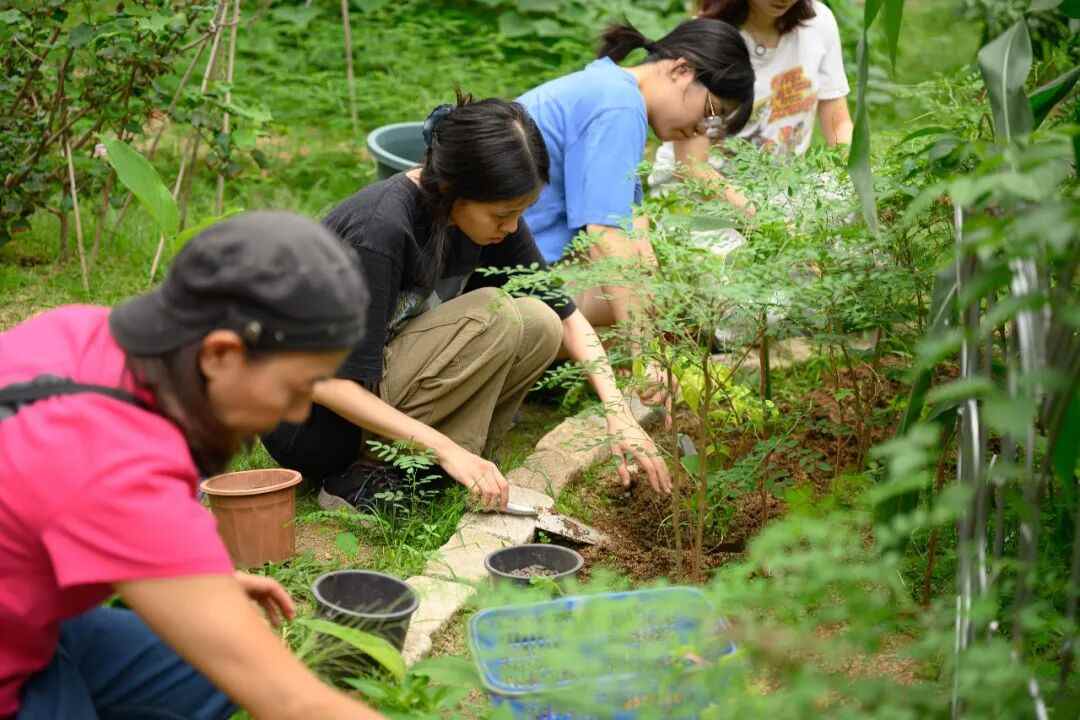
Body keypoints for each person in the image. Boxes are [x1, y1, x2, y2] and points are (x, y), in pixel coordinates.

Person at [0, 212, 385, 720]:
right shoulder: (114, 467)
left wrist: (178, 575)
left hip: (33, 608)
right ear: (220, 354)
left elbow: (42, 508)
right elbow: (292, 702)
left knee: (210, 680)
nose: (297, 413)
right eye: (295, 388)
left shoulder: (80, 330)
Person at [262, 95, 671, 514]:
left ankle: (436, 468)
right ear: (455, 190)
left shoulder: (485, 218)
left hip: (384, 381)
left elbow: (568, 318)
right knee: (492, 312)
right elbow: (324, 381)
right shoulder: (381, 231)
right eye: (502, 215)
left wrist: (618, 413)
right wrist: (443, 447)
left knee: (539, 322)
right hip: (316, 425)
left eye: (519, 213)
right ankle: (363, 475)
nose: (511, 227)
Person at [515, 18, 754, 380]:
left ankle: (549, 372)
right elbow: (605, 235)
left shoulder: (613, 88)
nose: (704, 130)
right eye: (711, 111)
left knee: (653, 284)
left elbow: (634, 230)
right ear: (681, 70)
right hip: (496, 286)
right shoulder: (618, 105)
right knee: (655, 293)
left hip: (513, 265)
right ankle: (524, 369)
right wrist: (648, 357)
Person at [649, 0, 853, 197]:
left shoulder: (818, 22)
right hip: (701, 192)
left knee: (852, 199)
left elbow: (839, 124)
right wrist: (761, 218)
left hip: (781, 191)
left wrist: (856, 182)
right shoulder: (706, 37)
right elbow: (693, 167)